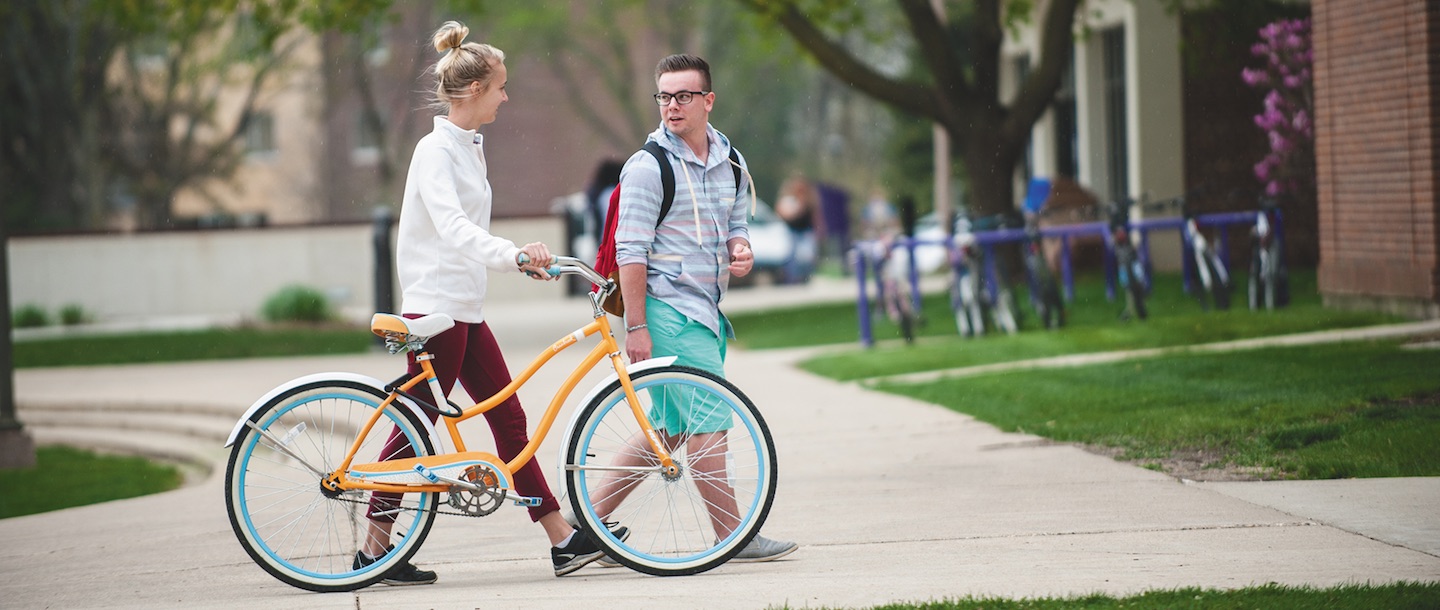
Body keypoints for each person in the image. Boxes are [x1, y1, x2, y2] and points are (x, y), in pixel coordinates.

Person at [357, 21, 622, 586]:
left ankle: (561, 541)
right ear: (474, 90)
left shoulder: (465, 148)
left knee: (507, 416)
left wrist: (517, 261)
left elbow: (465, 233)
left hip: (464, 310)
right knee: (414, 426)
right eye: (501, 86)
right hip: (436, 313)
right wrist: (511, 253)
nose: (507, 96)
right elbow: (453, 228)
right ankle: (374, 551)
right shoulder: (435, 151)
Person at [589, 53, 797, 564]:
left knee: (670, 431)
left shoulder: (729, 160)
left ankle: (582, 522)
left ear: (708, 101)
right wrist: (636, 327)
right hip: (669, 312)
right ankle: (735, 537)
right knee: (709, 424)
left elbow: (735, 222)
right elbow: (628, 252)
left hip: (705, 310)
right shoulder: (648, 167)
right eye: (664, 96)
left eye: (683, 96)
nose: (672, 106)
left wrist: (739, 248)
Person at [775, 174, 819, 284]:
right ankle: (792, 279)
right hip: (792, 231)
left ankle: (805, 277)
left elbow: (814, 215)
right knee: (792, 256)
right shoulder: (790, 200)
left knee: (808, 256)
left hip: (806, 230)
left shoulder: (809, 199)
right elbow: (785, 214)